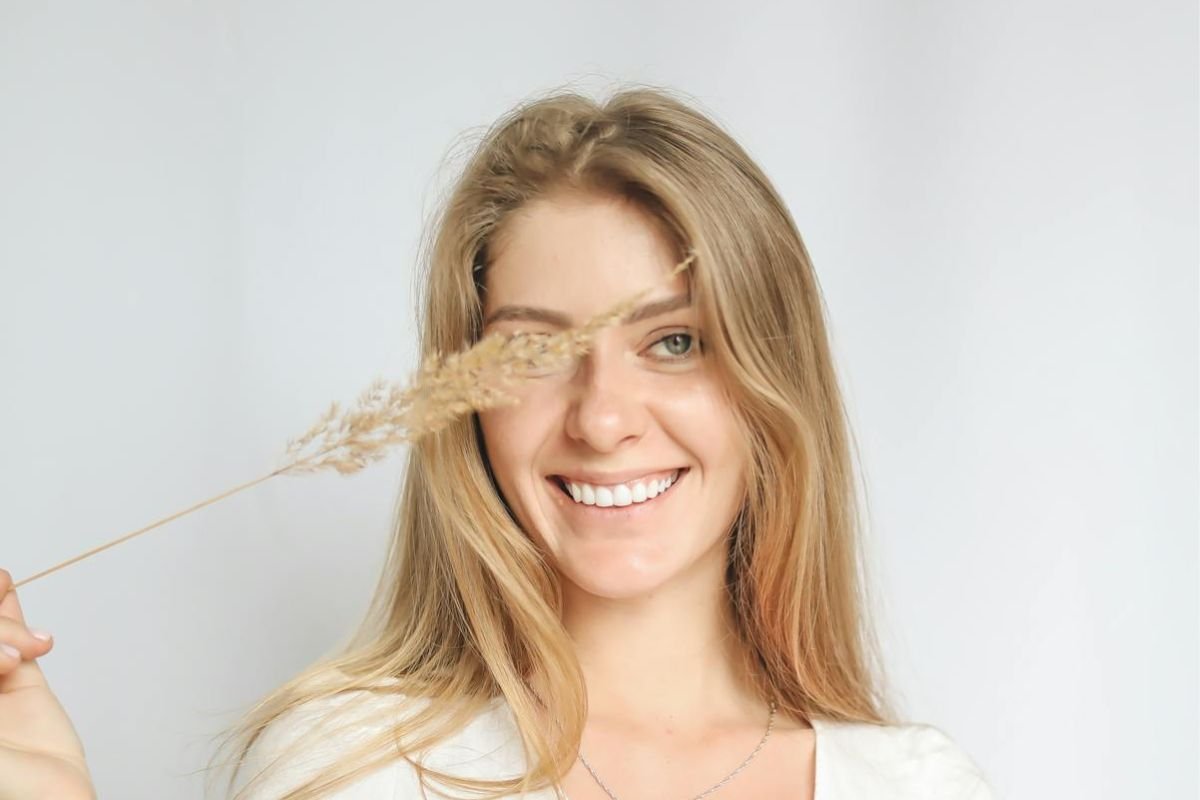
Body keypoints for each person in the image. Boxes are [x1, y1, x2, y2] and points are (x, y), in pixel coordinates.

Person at [0, 86, 994, 800]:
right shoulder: (349, 765)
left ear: (773, 381)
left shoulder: (916, 785)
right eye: (536, 351)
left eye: (674, 342)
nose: (602, 418)